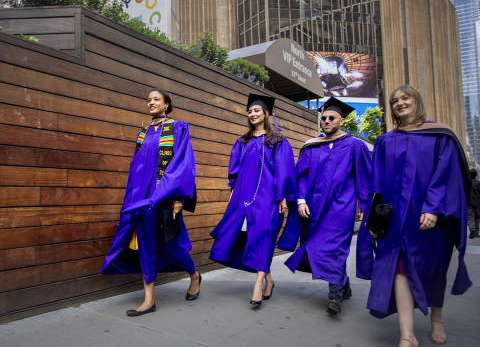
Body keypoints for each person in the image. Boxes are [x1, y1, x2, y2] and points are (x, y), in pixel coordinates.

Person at [356, 85, 472, 347]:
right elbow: (377, 183)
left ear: (416, 101)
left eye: (405, 98)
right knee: (399, 270)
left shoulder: (440, 135)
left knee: (433, 269)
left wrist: (433, 207)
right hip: (396, 220)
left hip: (429, 217)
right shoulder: (386, 140)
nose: (400, 103)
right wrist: (375, 219)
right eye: (395, 101)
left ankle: (437, 319)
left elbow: (446, 173)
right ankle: (407, 336)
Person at [100, 88, 201, 317]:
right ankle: (149, 299)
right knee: (147, 245)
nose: (151, 103)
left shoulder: (178, 127)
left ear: (167, 104)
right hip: (144, 200)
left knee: (173, 245)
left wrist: (177, 196)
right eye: (148, 100)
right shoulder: (143, 133)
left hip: (166, 196)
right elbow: (135, 169)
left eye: (156, 99)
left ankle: (194, 275)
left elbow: (183, 162)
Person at [278, 97, 371, 316]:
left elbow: (364, 178)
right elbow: (301, 175)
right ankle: (344, 284)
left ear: (341, 121)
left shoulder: (355, 145)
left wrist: (366, 206)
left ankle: (334, 295)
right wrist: (300, 200)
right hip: (314, 207)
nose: (326, 121)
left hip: (341, 207)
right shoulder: (312, 146)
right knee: (319, 248)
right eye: (324, 118)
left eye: (331, 118)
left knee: (336, 249)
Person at [209, 94, 296, 304]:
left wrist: (282, 196)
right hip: (242, 195)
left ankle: (258, 285)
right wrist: (232, 193)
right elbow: (235, 172)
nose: (252, 114)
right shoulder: (242, 142)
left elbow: (283, 170)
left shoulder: (277, 141)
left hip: (268, 196)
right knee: (246, 236)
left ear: (266, 113)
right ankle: (269, 280)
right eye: (250, 111)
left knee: (263, 235)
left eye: (257, 110)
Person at [468, 168, 480, 239]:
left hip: (469, 203)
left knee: (470, 217)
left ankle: (472, 228)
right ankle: (476, 232)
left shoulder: (467, 183)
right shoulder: (478, 183)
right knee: (477, 217)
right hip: (477, 203)